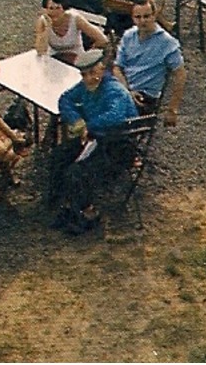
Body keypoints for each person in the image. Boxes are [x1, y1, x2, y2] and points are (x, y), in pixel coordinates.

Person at [49, 48, 139, 234]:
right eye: (84, 74)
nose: (88, 78)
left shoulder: (114, 90)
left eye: (92, 73)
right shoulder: (85, 86)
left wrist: (89, 126)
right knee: (59, 155)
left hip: (117, 146)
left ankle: (86, 212)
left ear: (101, 69)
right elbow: (65, 99)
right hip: (95, 139)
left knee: (77, 171)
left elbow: (115, 116)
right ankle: (61, 202)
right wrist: (77, 121)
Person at [113, 0, 186, 125]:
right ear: (133, 18)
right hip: (123, 89)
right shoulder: (128, 36)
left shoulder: (167, 43)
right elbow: (117, 67)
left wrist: (172, 109)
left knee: (107, 119)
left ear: (154, 15)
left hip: (145, 96)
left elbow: (180, 74)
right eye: (138, 17)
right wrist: (126, 91)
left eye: (146, 16)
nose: (142, 21)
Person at [34, 0, 107, 63]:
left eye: (58, 8)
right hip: (54, 58)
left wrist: (88, 54)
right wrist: (47, 27)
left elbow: (102, 39)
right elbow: (40, 50)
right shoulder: (42, 21)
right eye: (51, 8)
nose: (55, 12)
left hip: (77, 57)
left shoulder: (75, 19)